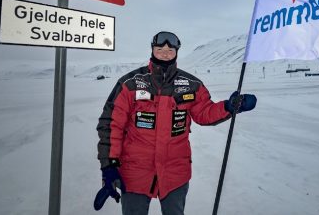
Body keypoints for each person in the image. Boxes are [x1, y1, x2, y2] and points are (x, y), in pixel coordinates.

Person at [94, 31, 257, 215]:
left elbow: (204, 113)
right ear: (152, 50)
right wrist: (109, 165)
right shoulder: (130, 83)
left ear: (177, 51)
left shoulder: (191, 84)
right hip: (134, 172)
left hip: (175, 172)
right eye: (160, 48)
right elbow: (111, 124)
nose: (165, 52)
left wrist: (229, 106)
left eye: (170, 49)